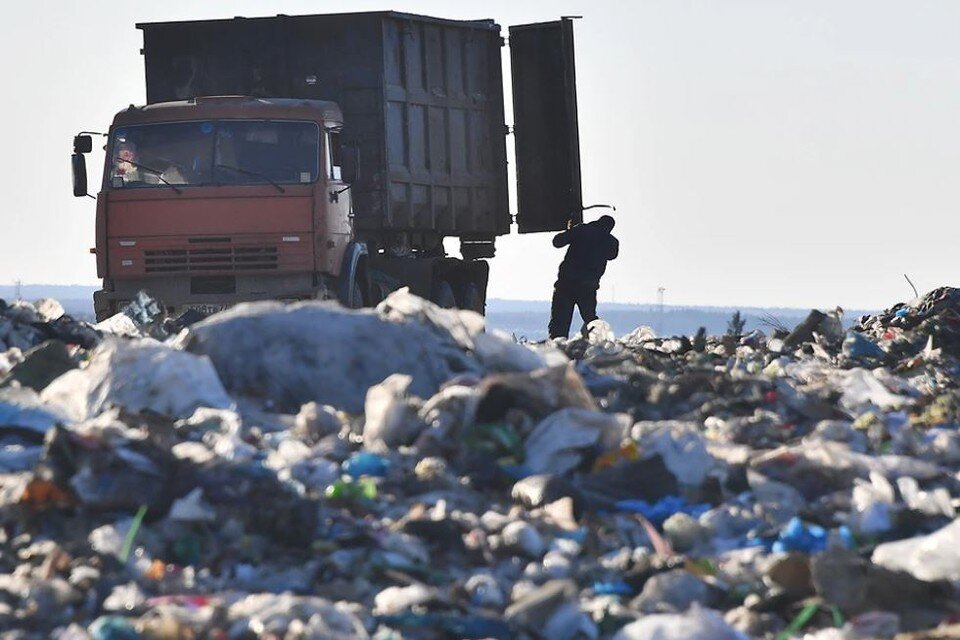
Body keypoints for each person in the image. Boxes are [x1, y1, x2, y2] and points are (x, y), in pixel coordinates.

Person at [548, 214, 619, 339]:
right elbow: (612, 255)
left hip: (566, 285)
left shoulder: (581, 230)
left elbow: (557, 242)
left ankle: (557, 347)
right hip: (587, 288)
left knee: (559, 326)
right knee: (591, 321)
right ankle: (593, 345)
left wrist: (571, 230)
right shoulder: (611, 241)